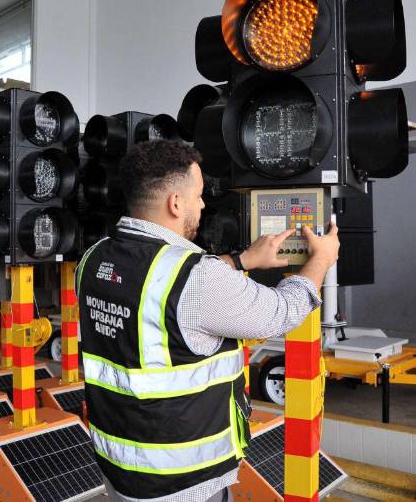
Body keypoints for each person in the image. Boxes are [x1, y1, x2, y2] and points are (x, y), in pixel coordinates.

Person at [76, 140, 340, 502]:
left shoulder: (92, 260)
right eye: (198, 196)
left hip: (120, 468)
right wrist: (321, 260)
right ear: (176, 203)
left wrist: (241, 261)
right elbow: (280, 313)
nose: (203, 205)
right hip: (180, 481)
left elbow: (163, 288)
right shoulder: (197, 278)